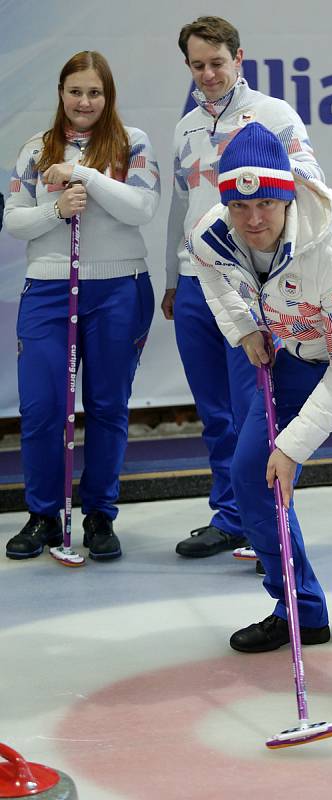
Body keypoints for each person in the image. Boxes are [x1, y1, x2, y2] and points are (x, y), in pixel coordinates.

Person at [187, 121, 332, 715]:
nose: (252, 220)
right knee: (249, 474)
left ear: (287, 194)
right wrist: (243, 328)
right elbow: (216, 280)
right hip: (298, 346)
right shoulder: (213, 235)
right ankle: (298, 609)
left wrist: (292, 448)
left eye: (265, 203)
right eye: (238, 206)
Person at [162, 16, 324, 559]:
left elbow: (308, 191)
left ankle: (269, 524)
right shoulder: (185, 127)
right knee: (215, 413)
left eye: (217, 63)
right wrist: (170, 279)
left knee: (258, 413)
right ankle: (231, 515)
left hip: (251, 284)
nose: (208, 74)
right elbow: (180, 210)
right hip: (194, 281)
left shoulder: (276, 116)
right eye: (197, 65)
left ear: (239, 59)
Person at [4, 51, 160, 562]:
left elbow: (143, 206)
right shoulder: (35, 149)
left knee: (108, 405)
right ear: (61, 93)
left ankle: (98, 515)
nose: (85, 101)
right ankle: (44, 514)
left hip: (117, 286)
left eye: (95, 92)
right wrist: (56, 207)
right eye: (76, 91)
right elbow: (14, 220)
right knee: (43, 407)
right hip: (49, 287)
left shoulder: (131, 142)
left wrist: (85, 176)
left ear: (107, 95)